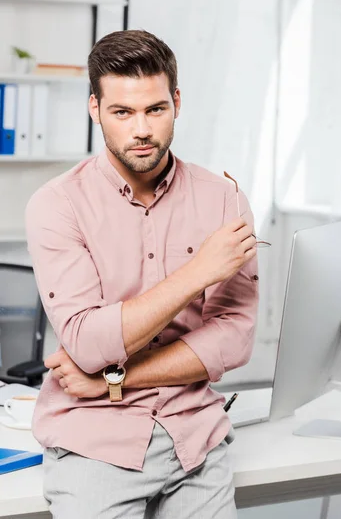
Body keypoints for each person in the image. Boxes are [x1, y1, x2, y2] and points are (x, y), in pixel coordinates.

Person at [25, 29, 259, 518]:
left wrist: (115, 378)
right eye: (122, 112)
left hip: (194, 433)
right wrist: (199, 272)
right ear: (95, 109)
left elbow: (235, 338)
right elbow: (88, 343)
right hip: (96, 441)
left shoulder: (223, 199)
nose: (142, 130)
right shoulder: (56, 205)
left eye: (155, 109)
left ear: (176, 102)